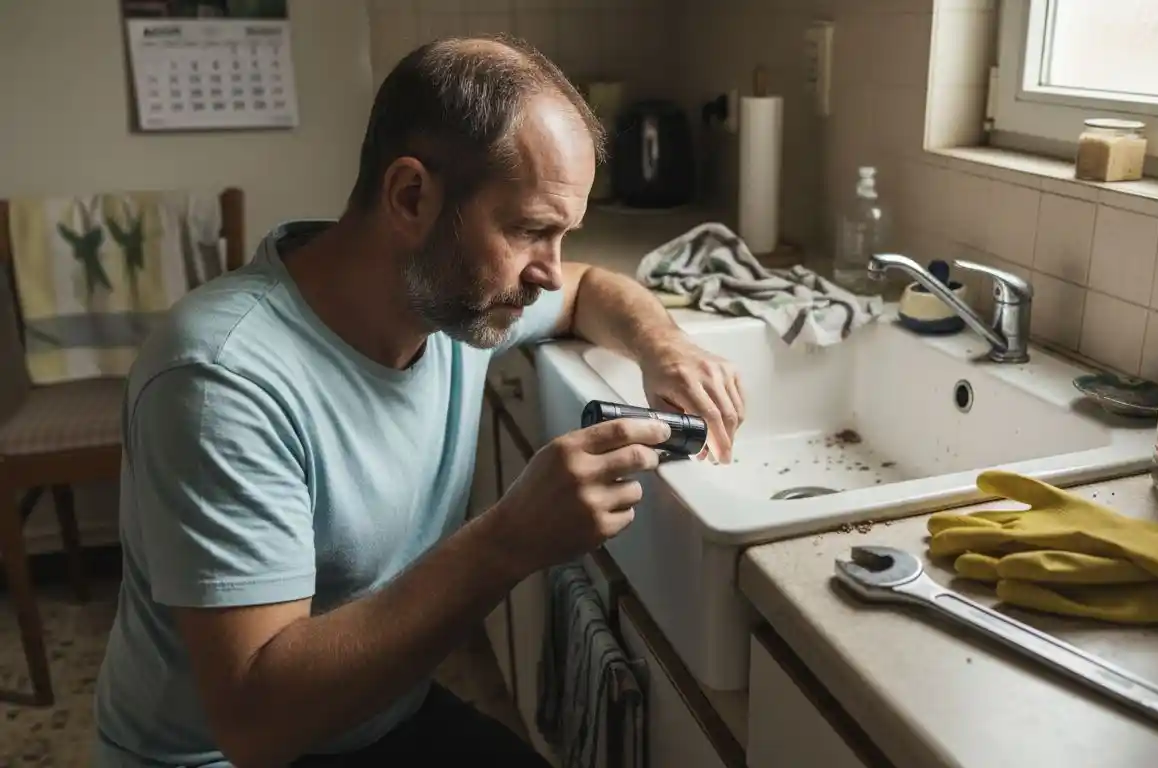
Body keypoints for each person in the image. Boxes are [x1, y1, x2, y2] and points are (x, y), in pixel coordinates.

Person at [93, 36, 745, 768]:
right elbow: (257, 723)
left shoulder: (453, 300)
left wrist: (667, 346)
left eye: (562, 235)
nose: (549, 273)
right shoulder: (219, 381)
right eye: (531, 230)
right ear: (411, 196)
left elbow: (592, 289)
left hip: (373, 713)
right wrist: (509, 540)